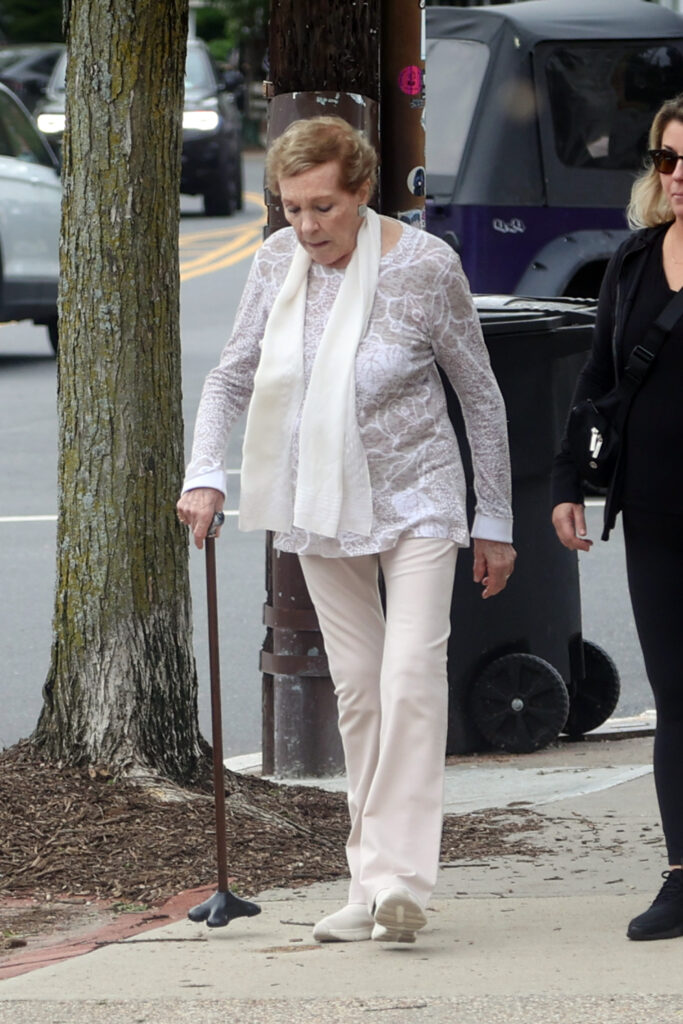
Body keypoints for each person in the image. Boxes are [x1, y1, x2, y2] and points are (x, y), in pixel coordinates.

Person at [177, 116, 515, 945]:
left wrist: (494, 517)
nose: (306, 226)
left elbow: (478, 393)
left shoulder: (425, 267)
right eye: (291, 208)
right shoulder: (273, 264)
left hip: (419, 499)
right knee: (360, 694)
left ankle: (402, 881)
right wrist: (203, 472)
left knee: (407, 679)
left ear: (360, 192)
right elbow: (231, 377)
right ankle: (366, 882)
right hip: (318, 505)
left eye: (323, 207)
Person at [552, 93, 683, 942]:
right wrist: (568, 479)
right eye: (667, 159)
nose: (677, 176)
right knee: (678, 697)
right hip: (658, 512)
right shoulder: (634, 261)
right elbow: (599, 378)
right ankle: (681, 874)